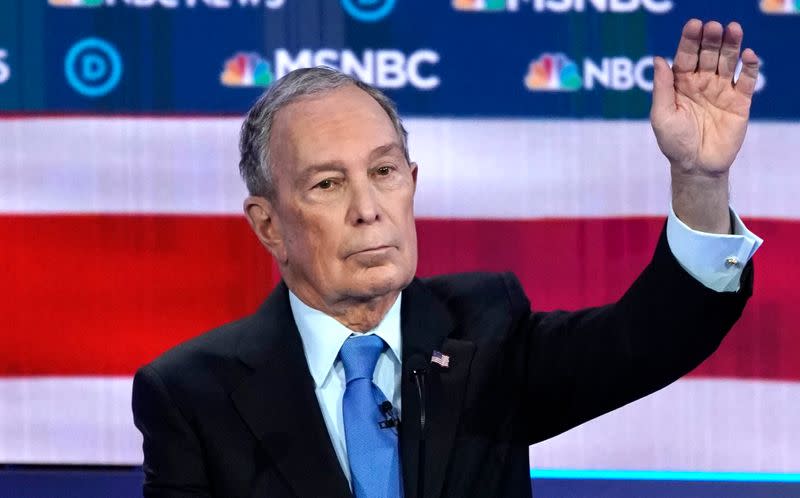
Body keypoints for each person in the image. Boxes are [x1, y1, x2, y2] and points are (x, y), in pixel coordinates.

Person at [132, 19, 763, 498]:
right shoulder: (192, 394)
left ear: (411, 181)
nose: (368, 208)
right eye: (327, 184)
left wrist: (698, 178)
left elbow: (656, 335)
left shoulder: (485, 332)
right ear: (268, 224)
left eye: (383, 172)